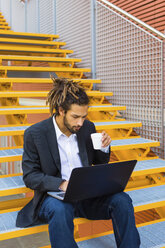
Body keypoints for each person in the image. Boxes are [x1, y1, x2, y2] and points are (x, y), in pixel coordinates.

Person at [16, 78, 140, 248]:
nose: (80, 123)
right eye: (75, 117)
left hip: (86, 195)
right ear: (61, 110)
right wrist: (61, 184)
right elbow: (30, 176)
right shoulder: (35, 134)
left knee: (122, 200)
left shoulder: (87, 127)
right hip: (54, 197)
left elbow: (99, 161)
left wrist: (104, 147)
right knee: (61, 210)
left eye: (84, 117)